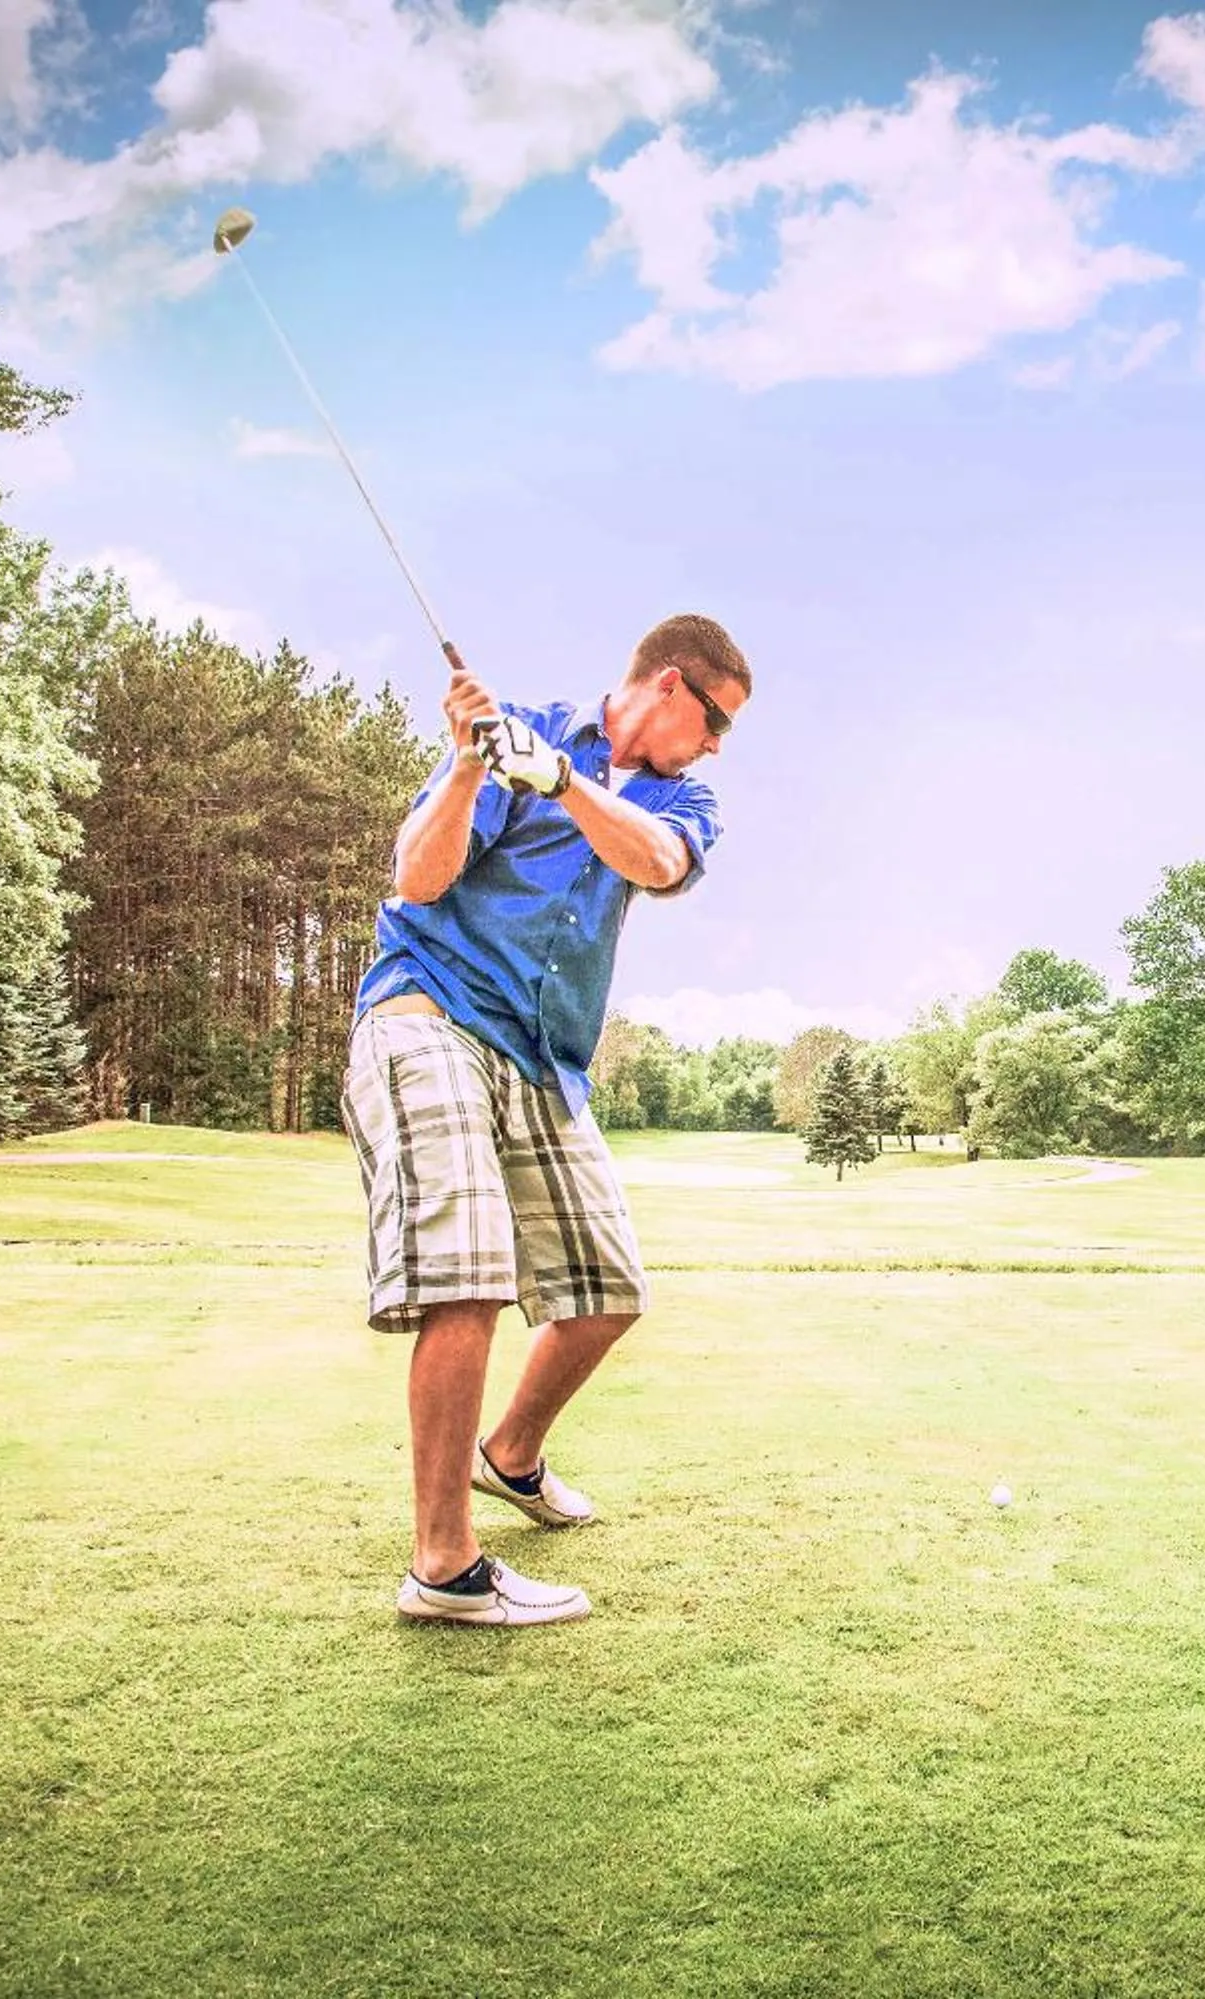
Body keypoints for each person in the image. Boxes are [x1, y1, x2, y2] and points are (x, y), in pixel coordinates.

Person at [342, 613, 750, 1627]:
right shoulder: (508, 727)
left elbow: (658, 863)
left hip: (540, 1058)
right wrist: (470, 767)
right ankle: (443, 1566)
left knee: (609, 1289)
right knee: (470, 1269)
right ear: (668, 687)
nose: (714, 747)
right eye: (714, 722)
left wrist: (565, 784)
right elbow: (416, 878)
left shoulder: (678, 793)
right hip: (428, 1013)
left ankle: (509, 1455)